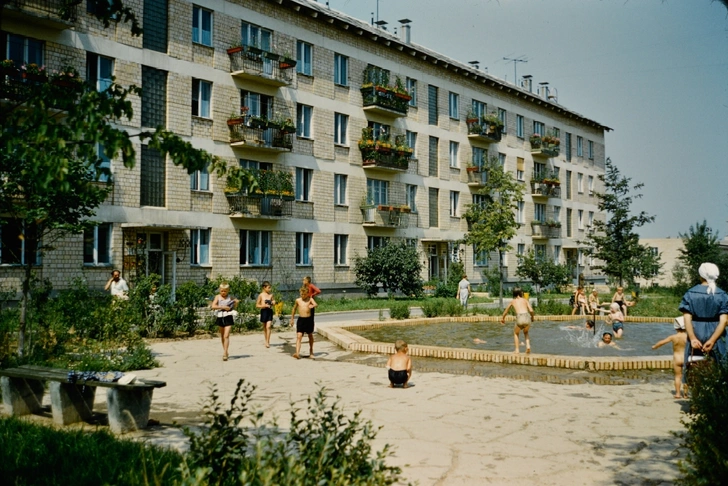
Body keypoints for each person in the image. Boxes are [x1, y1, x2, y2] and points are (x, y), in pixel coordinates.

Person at [680, 262, 728, 368]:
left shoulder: (690, 294)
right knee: (720, 366)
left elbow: (687, 319)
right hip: (716, 332)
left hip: (696, 331)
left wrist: (692, 338)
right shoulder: (722, 295)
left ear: (700, 275)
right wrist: (712, 340)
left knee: (692, 367)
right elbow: (724, 321)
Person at [652, 316, 688, 399]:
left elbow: (662, 342)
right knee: (686, 377)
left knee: (677, 376)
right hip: (685, 358)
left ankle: (678, 393)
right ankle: (685, 394)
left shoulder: (673, 337)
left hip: (677, 358)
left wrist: (655, 346)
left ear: (676, 328)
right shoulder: (688, 337)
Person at [500, 287, 535, 354]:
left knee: (516, 333)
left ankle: (517, 350)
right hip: (527, 317)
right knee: (526, 332)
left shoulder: (513, 301)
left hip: (519, 317)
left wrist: (503, 319)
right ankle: (528, 346)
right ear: (521, 293)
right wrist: (532, 317)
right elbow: (531, 310)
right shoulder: (525, 300)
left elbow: (506, 311)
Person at [211, 283, 239, 361]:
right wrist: (222, 307)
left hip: (228, 316)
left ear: (228, 291)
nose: (223, 293)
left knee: (226, 335)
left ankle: (225, 352)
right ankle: (225, 351)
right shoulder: (217, 297)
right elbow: (213, 306)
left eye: (225, 291)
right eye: (222, 291)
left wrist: (235, 303)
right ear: (220, 290)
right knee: (222, 335)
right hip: (220, 316)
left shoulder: (230, 297)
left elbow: (234, 305)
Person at [290, 285, 317, 359]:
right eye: (301, 294)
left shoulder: (310, 299)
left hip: (308, 320)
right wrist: (292, 319)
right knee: (299, 336)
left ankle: (311, 352)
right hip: (301, 320)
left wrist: (313, 305)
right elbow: (294, 309)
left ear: (307, 294)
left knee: (310, 335)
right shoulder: (298, 300)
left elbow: (315, 304)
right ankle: (297, 353)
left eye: (304, 294)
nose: (303, 296)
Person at [255, 281, 276, 348]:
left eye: (270, 288)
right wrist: (263, 306)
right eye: (268, 288)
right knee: (264, 327)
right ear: (264, 287)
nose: (270, 289)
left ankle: (268, 342)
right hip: (263, 311)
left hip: (269, 311)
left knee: (268, 326)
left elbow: (274, 302)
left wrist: (273, 302)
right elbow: (257, 305)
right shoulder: (261, 295)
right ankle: (266, 340)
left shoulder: (271, 295)